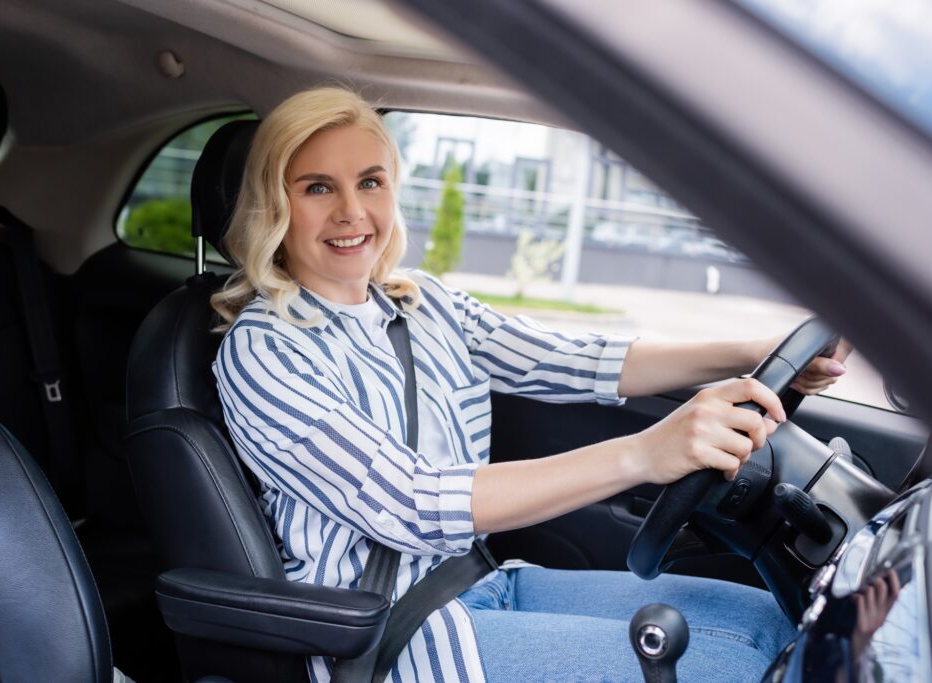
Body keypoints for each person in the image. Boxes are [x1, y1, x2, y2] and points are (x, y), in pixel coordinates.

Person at [211, 87, 851, 682]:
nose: (352, 211)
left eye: (370, 182)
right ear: (275, 204)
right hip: (391, 638)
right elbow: (412, 504)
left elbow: (578, 359)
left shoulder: (421, 304)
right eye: (318, 187)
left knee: (773, 622)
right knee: (728, 667)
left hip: (485, 581)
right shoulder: (263, 349)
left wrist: (756, 351)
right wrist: (643, 454)